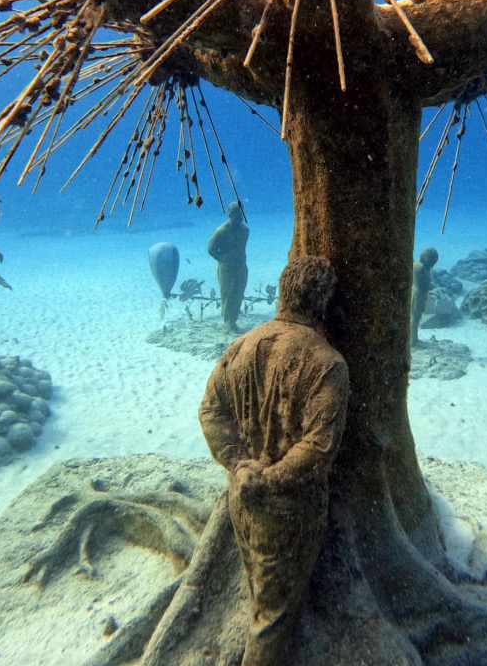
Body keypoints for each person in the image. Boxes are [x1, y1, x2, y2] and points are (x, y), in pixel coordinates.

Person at [199, 256, 349, 666]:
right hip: (289, 512)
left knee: (261, 596)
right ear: (323, 302)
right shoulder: (327, 364)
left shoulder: (242, 346)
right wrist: (269, 478)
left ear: (282, 293)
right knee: (272, 619)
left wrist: (240, 466)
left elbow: (211, 411)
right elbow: (319, 446)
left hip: (241, 499)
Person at [207, 201, 249, 333]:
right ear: (231, 214)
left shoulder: (245, 231)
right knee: (227, 293)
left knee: (238, 292)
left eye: (241, 214)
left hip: (241, 266)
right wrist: (223, 259)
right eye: (237, 214)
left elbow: (241, 248)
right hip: (227, 268)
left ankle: (233, 317)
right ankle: (229, 322)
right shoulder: (221, 231)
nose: (240, 217)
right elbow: (211, 249)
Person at [410, 246, 439, 348]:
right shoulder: (420, 267)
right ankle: (413, 341)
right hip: (418, 295)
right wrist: (428, 292)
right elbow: (421, 285)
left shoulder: (417, 264)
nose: (433, 265)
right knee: (415, 317)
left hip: (418, 294)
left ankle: (414, 339)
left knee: (416, 317)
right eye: (432, 262)